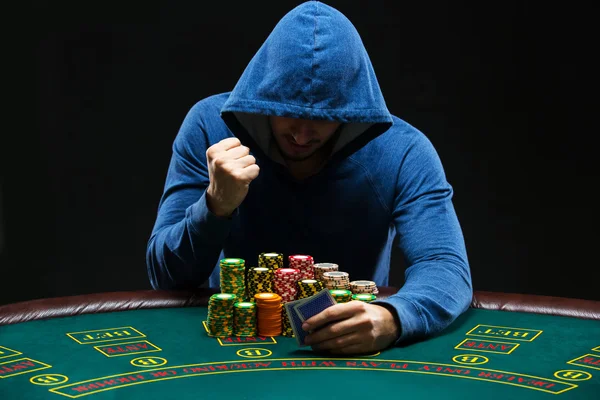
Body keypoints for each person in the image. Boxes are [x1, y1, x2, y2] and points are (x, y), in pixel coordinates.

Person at [146, 1, 472, 355]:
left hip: (351, 355)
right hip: (231, 348)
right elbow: (166, 278)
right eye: (286, 114)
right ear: (262, 96)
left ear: (353, 112)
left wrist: (392, 318)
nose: (302, 135)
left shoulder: (405, 151)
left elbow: (445, 267)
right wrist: (214, 207)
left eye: (324, 118)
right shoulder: (209, 127)